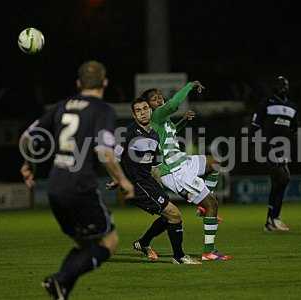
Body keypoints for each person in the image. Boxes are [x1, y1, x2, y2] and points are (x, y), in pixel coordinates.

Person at [20, 60, 134, 299]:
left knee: (85, 246)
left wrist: (29, 165)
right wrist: (122, 180)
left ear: (78, 83)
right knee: (109, 242)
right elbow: (104, 151)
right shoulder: (102, 110)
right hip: (81, 187)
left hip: (55, 186)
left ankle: (60, 290)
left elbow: (28, 137)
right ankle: (58, 280)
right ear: (105, 83)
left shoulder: (61, 106)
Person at [140, 83, 232, 261]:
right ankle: (209, 251)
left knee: (214, 163)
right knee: (212, 205)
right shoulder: (157, 115)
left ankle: (202, 206)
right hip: (175, 171)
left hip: (183, 161)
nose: (159, 99)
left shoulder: (164, 120)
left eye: (160, 96)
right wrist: (189, 86)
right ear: (148, 106)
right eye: (154, 98)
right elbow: (173, 105)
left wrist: (182, 122)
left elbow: (171, 132)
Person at [110, 98, 200, 264]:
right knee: (174, 214)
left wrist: (158, 181)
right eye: (138, 110)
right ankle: (179, 257)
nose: (143, 112)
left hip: (148, 181)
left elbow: (153, 163)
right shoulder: (129, 133)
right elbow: (114, 155)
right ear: (133, 114)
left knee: (169, 217)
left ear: (150, 110)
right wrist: (117, 179)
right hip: (137, 184)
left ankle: (143, 243)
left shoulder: (153, 134)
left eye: (145, 108)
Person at [250, 76, 298, 232]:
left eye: (285, 84)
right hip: (269, 146)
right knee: (284, 177)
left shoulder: (292, 107)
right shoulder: (267, 102)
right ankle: (273, 218)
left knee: (279, 182)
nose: (283, 87)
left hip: (283, 149)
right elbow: (255, 125)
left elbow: (294, 129)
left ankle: (271, 220)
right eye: (280, 84)